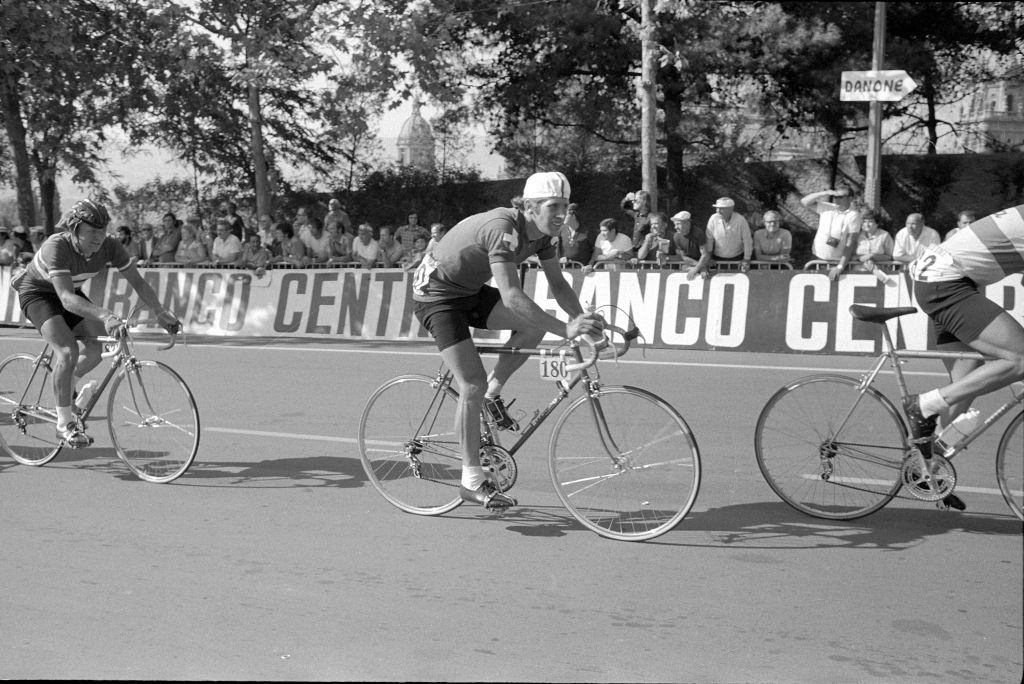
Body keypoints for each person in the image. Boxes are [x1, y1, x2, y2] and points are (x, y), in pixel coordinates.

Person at [411, 171, 604, 510]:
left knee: (533, 327)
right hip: (436, 298)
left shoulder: (545, 235)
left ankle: (492, 393)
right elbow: (513, 296)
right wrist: (567, 330)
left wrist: (585, 326)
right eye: (553, 207)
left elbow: (558, 285)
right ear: (530, 207)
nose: (561, 215)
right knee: (469, 383)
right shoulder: (503, 229)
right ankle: (471, 480)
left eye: (565, 207)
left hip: (467, 291)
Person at [10, 199, 181, 447]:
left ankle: (68, 387)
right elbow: (67, 300)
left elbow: (139, 283)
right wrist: (106, 315)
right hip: (38, 293)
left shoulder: (110, 246)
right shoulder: (56, 246)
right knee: (68, 351)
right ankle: (64, 425)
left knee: (96, 349)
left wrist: (160, 311)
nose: (99, 237)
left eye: (102, 231)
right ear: (74, 230)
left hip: (69, 291)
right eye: (92, 231)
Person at [905, 203, 1024, 510]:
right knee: (1020, 358)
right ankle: (923, 405)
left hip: (945, 279)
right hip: (946, 282)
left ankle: (924, 468)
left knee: (965, 385)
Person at [800, 183, 862, 280]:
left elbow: (850, 243)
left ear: (850, 199)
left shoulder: (854, 215)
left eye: (840, 197)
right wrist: (824, 193)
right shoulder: (827, 207)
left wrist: (840, 267)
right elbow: (804, 201)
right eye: (835, 196)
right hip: (816, 257)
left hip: (836, 262)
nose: (836, 199)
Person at [694, 197, 752, 273]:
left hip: (737, 258)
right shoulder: (713, 218)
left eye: (721, 209)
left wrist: (746, 258)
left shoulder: (741, 220)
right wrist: (709, 257)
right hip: (717, 259)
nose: (718, 211)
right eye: (717, 208)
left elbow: (747, 240)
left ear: (731, 209)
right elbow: (709, 239)